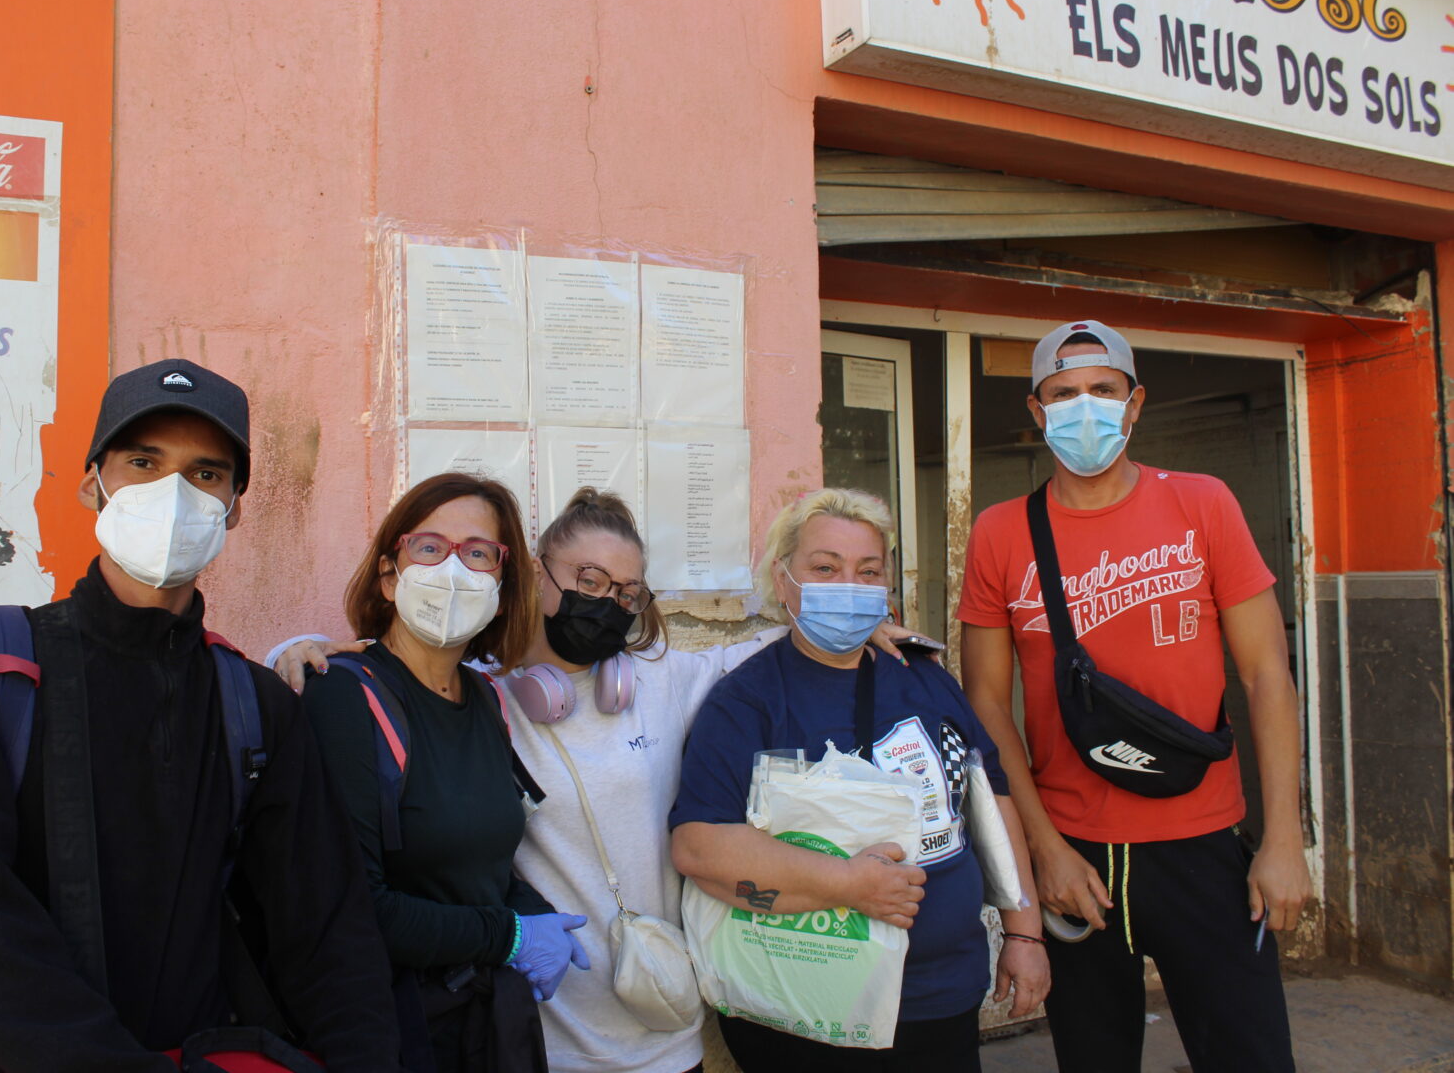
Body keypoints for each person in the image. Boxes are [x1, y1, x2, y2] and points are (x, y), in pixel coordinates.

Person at [271, 488, 930, 1073]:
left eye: (626, 592)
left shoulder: (661, 682)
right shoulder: (489, 698)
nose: (606, 603)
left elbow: (781, 650)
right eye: (587, 579)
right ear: (535, 574)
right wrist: (298, 650)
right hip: (542, 1031)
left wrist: (864, 623)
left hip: (665, 1028)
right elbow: (394, 670)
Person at [0, 358, 401, 1071]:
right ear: (92, 482)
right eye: (143, 461)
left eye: (206, 473)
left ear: (234, 507)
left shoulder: (259, 708)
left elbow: (325, 936)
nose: (175, 494)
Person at [957, 320, 1311, 1073]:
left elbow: (1266, 676)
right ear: (1036, 410)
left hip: (1201, 843)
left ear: (1135, 401)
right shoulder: (1000, 533)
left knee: (1252, 1056)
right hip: (1075, 855)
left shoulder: (1203, 504)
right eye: (1063, 394)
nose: (1084, 407)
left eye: (1103, 390)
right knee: (1093, 1059)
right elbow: (985, 703)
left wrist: (1284, 841)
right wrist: (1041, 852)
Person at [670, 488, 1048, 1073]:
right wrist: (847, 885)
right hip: (805, 1005)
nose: (848, 585)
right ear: (783, 578)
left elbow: (989, 801)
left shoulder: (927, 680)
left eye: (868, 571)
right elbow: (699, 845)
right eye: (825, 567)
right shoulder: (746, 702)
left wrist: (1025, 935)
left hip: (939, 999)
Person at [299, 472, 588, 1073]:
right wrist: (509, 936)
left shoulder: (486, 699)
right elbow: (355, 907)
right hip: (398, 1032)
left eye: (478, 553)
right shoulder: (346, 699)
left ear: (503, 590)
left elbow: (480, 867)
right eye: (429, 548)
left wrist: (532, 914)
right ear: (389, 574)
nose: (453, 569)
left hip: (483, 1027)